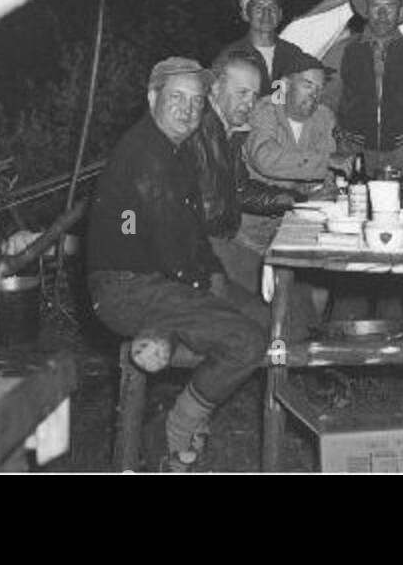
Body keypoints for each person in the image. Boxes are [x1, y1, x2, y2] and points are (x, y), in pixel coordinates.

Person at [87, 58, 269, 472]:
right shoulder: (146, 153)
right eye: (177, 98)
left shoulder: (178, 150)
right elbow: (169, 243)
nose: (188, 109)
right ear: (153, 98)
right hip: (127, 288)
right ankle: (173, 430)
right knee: (246, 342)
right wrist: (207, 289)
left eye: (197, 101)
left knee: (264, 317)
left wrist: (215, 274)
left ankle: (186, 410)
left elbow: (190, 232)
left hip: (163, 280)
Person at [187, 53, 297, 294]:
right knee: (283, 296)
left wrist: (297, 200)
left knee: (286, 288)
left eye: (254, 96)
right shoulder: (194, 128)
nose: (250, 103)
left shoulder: (226, 130)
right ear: (215, 88)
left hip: (218, 240)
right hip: (199, 247)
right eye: (242, 93)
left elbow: (240, 189)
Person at [321, 0, 403, 173]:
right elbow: (324, 101)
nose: (383, 13)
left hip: (402, 156)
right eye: (376, 6)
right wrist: (334, 142)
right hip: (352, 154)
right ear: (366, 11)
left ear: (400, 12)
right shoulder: (342, 51)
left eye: (390, 6)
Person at [245, 50, 351, 199]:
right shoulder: (266, 109)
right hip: (264, 214)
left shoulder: (324, 116)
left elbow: (327, 171)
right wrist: (327, 161)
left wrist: (323, 188)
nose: (314, 95)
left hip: (304, 209)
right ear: (286, 85)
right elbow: (265, 159)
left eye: (319, 89)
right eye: (308, 86)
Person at [214, 0, 309, 96]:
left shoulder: (292, 54)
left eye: (272, 6)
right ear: (245, 15)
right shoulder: (230, 56)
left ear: (280, 14)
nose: (266, 13)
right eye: (259, 7)